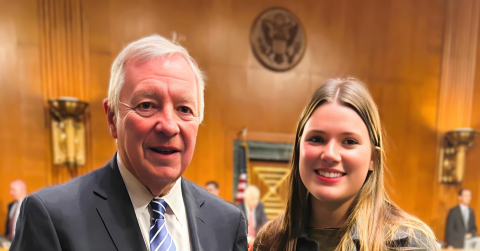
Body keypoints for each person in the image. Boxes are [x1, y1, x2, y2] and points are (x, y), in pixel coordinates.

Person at [11, 35, 247, 251]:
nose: (169, 126)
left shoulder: (227, 223)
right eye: (147, 105)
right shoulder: (52, 217)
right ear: (113, 117)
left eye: (184, 109)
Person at [253, 78, 438, 251]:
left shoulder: (410, 243)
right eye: (317, 139)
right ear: (298, 149)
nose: (330, 154)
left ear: (373, 158)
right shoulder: (269, 241)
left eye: (349, 141)